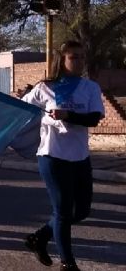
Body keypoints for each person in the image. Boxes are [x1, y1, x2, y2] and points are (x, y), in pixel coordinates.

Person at [21, 41, 103, 271]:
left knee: (82, 211)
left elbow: (93, 119)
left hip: (80, 157)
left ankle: (39, 237)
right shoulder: (45, 88)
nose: (78, 61)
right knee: (63, 212)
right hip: (52, 156)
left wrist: (67, 115)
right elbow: (20, 109)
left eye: (81, 57)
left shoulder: (90, 88)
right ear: (63, 60)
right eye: (73, 57)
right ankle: (68, 264)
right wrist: (23, 96)